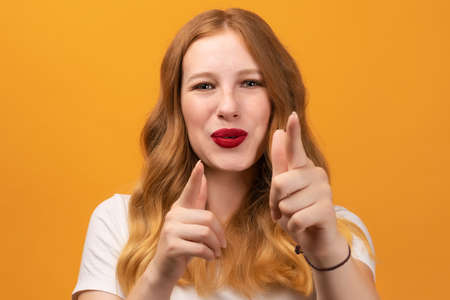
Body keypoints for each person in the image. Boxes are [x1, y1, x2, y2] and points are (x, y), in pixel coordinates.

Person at [72, 7, 379, 300]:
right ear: (177, 107)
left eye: (250, 83)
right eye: (204, 86)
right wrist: (161, 271)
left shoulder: (336, 231)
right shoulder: (117, 223)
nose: (229, 107)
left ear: (277, 101)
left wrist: (325, 249)